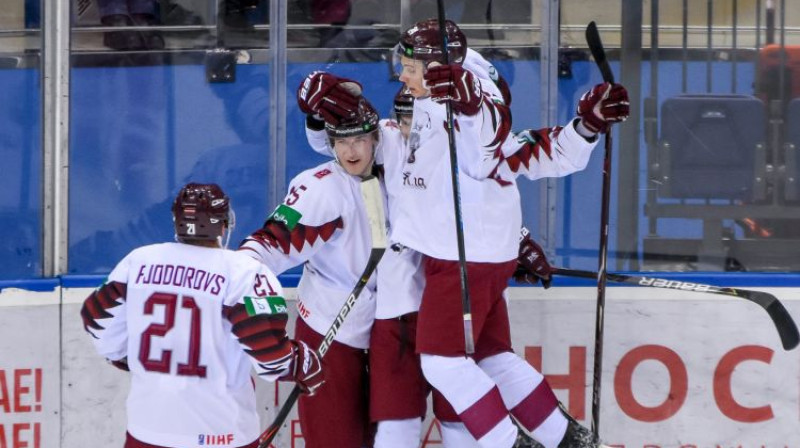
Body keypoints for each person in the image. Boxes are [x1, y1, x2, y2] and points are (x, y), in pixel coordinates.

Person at [387, 19, 627, 448]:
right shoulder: (442, 86)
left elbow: (489, 127)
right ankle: (569, 440)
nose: (401, 77)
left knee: (441, 364)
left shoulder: (464, 113)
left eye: (409, 67)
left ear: (437, 69)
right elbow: (524, 149)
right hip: (481, 254)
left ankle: (508, 443)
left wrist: (468, 97)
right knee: (491, 356)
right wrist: (585, 128)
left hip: (460, 258)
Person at [80, 182, 324, 448]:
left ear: (176, 222)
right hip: (222, 435)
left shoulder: (138, 261)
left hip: (147, 432)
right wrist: (301, 362)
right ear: (223, 225)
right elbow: (269, 355)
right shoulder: (242, 271)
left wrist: (124, 356)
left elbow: (96, 318)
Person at [239, 92, 394, 448]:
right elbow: (268, 244)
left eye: (358, 140)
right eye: (341, 142)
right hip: (330, 333)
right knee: (334, 440)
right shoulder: (319, 188)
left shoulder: (397, 176)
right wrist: (241, 285)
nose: (350, 152)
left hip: (388, 332)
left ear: (375, 140)